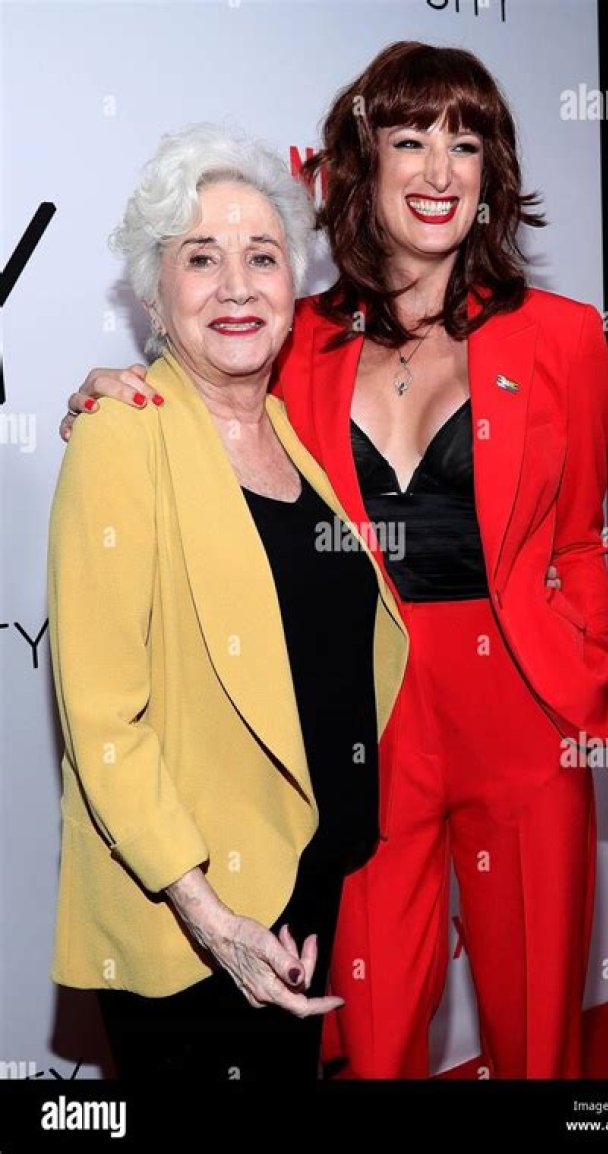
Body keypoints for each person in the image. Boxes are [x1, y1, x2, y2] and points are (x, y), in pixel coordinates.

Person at [60, 42, 608, 1079]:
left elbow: (576, 539)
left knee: (539, 1032)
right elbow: (205, 376)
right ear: (361, 164)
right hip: (369, 724)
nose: (438, 171)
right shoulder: (301, 337)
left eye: (465, 144)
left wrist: (585, 664)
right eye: (410, 140)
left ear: (492, 174)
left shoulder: (561, 336)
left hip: (524, 720)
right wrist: (110, 386)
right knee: (371, 1041)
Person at [47, 123, 408, 1083]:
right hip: (193, 913)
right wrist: (210, 917)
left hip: (302, 873)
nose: (238, 286)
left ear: (296, 288)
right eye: (201, 258)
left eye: (263, 256)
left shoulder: (287, 427)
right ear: (154, 294)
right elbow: (102, 721)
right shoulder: (122, 434)